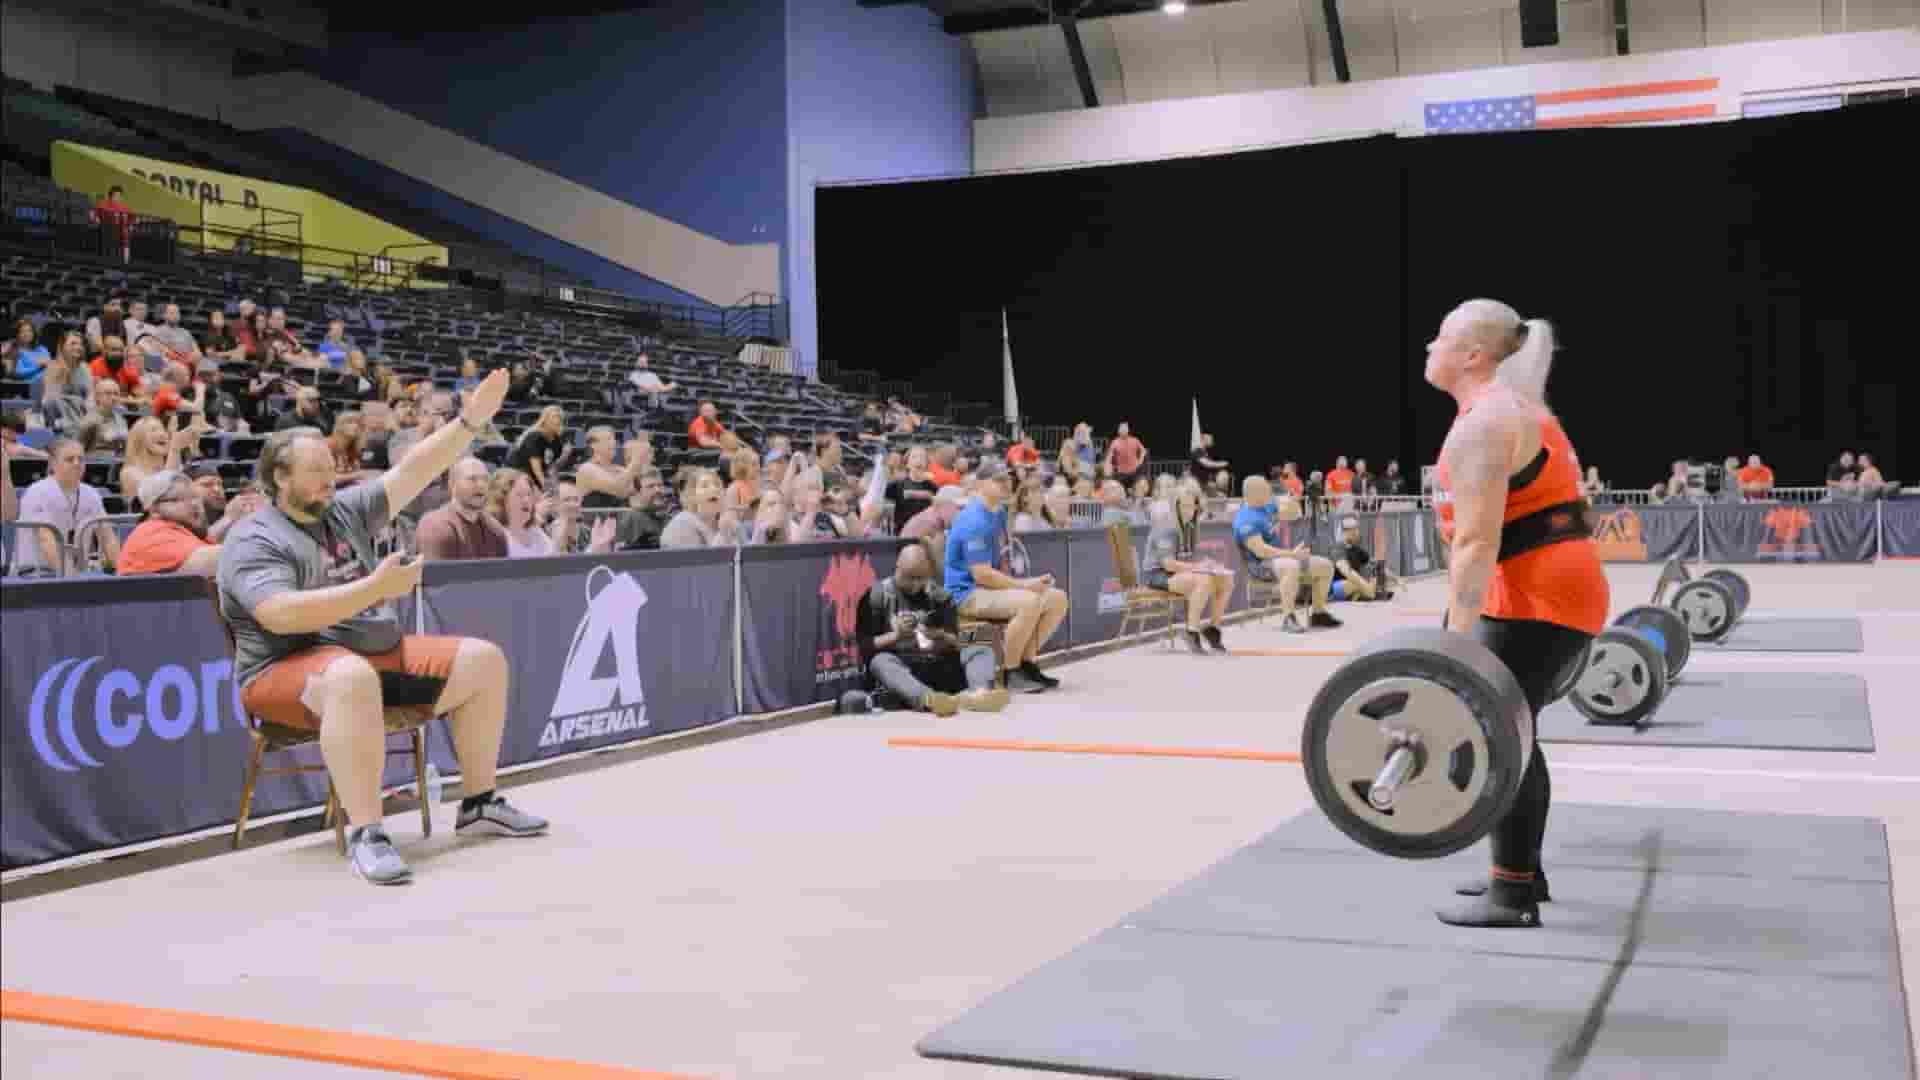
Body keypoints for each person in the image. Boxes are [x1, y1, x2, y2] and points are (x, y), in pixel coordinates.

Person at [216, 368, 547, 885]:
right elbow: (280, 614)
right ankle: (368, 833)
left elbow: (415, 470)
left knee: (483, 660)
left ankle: (479, 802)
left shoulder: (342, 510)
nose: (331, 477)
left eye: (332, 466)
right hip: (284, 670)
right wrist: (374, 589)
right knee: (349, 678)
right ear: (280, 479)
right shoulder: (255, 539)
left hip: (368, 657)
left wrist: (469, 421)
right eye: (317, 471)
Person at [1423, 299, 1608, 929]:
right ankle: (1520, 872)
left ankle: (1514, 896)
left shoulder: (1487, 421)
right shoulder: (1512, 410)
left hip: (1538, 595)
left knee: (1498, 735)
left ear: (1472, 355)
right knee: (1513, 731)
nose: (1429, 348)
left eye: (1439, 339)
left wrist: (1453, 639)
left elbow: (1476, 542)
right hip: (1546, 587)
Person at [944, 462, 1067, 694]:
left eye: (1007, 479)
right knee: (1029, 601)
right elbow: (982, 575)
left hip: (988, 588)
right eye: (997, 480)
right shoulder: (974, 520)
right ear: (980, 484)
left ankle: (1026, 664)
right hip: (966, 593)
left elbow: (999, 561)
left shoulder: (999, 512)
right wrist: (1024, 586)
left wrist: (1027, 584)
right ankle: (1010, 673)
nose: (1005, 483)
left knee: (1057, 598)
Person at [851, 544, 1011, 716]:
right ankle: (930, 700)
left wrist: (939, 635)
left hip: (938, 663)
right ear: (898, 566)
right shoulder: (876, 596)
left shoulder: (939, 597)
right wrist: (896, 635)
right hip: (906, 671)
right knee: (880, 662)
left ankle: (980, 694)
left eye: (921, 578)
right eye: (909, 577)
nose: (915, 584)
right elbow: (865, 646)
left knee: (979, 648)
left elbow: (957, 642)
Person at [1233, 476, 1338, 633]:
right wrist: (1291, 554)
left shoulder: (1266, 506)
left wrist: (1290, 501)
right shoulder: (1245, 519)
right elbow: (1261, 551)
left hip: (1279, 559)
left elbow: (1294, 514)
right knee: (1291, 566)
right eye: (1265, 489)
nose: (1269, 491)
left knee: (1325, 566)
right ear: (1253, 494)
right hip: (1259, 565)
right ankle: (1288, 617)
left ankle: (1318, 613)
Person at [1144, 479, 1235, 654]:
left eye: (1192, 506)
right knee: (1203, 580)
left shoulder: (1191, 526)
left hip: (1176, 572)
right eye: (1184, 506)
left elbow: (1188, 559)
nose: (1189, 510)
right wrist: (1198, 568)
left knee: (1226, 580)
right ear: (1175, 505)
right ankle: (1191, 631)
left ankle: (1213, 629)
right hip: (1158, 575)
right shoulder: (1167, 526)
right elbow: (1169, 565)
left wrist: (1207, 565)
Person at [13, 437, 120, 575]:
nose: (77, 463)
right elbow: (46, 539)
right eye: (69, 459)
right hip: (35, 573)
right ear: (52, 463)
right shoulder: (37, 492)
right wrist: (70, 579)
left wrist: (122, 571)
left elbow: (107, 537)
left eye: (81, 459)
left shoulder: (91, 493)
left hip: (77, 572)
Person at [118, 469, 224, 576]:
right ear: (153, 510)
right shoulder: (152, 533)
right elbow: (218, 561)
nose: (194, 504)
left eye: (195, 497)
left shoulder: (191, 532)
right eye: (178, 499)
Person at [415, 458, 510, 560]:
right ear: (452, 485)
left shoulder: (495, 530)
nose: (481, 485)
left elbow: (501, 573)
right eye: (472, 479)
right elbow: (438, 574)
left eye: (485, 479)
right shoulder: (434, 525)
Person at [1331, 515, 1395, 602]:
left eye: (1356, 529)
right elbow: (1345, 570)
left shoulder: (1357, 549)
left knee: (1377, 569)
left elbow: (1375, 564)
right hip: (1337, 586)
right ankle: (1365, 593)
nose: (1356, 532)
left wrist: (1396, 578)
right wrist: (1365, 585)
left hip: (1354, 582)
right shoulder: (1337, 548)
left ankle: (1361, 594)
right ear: (1344, 532)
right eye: (1353, 530)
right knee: (1355, 583)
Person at [1104, 422, 1146, 491]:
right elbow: (1109, 457)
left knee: (1138, 488)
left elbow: (1143, 451)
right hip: (1121, 473)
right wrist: (1108, 466)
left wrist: (1140, 461)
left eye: (1125, 429)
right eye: (1121, 429)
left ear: (1128, 430)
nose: (1123, 431)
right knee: (1120, 491)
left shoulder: (1135, 440)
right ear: (1118, 431)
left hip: (1134, 471)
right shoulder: (1115, 442)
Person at [5, 318, 50, 383]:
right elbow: (18, 372)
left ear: (34, 333)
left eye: (29, 331)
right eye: (22, 331)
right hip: (24, 386)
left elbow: (47, 367)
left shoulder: (41, 349)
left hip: (43, 385)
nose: (26, 334)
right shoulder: (15, 351)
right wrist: (38, 367)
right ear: (17, 334)